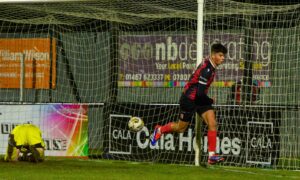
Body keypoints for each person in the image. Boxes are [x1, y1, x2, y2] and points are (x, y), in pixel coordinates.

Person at [150, 43, 228, 165]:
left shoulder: (210, 66)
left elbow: (201, 94)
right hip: (189, 99)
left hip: (199, 99)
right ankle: (159, 130)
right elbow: (200, 94)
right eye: (221, 55)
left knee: (213, 123)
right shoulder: (207, 70)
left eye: (224, 56)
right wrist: (211, 101)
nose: (223, 58)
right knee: (181, 128)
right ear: (213, 56)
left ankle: (211, 155)